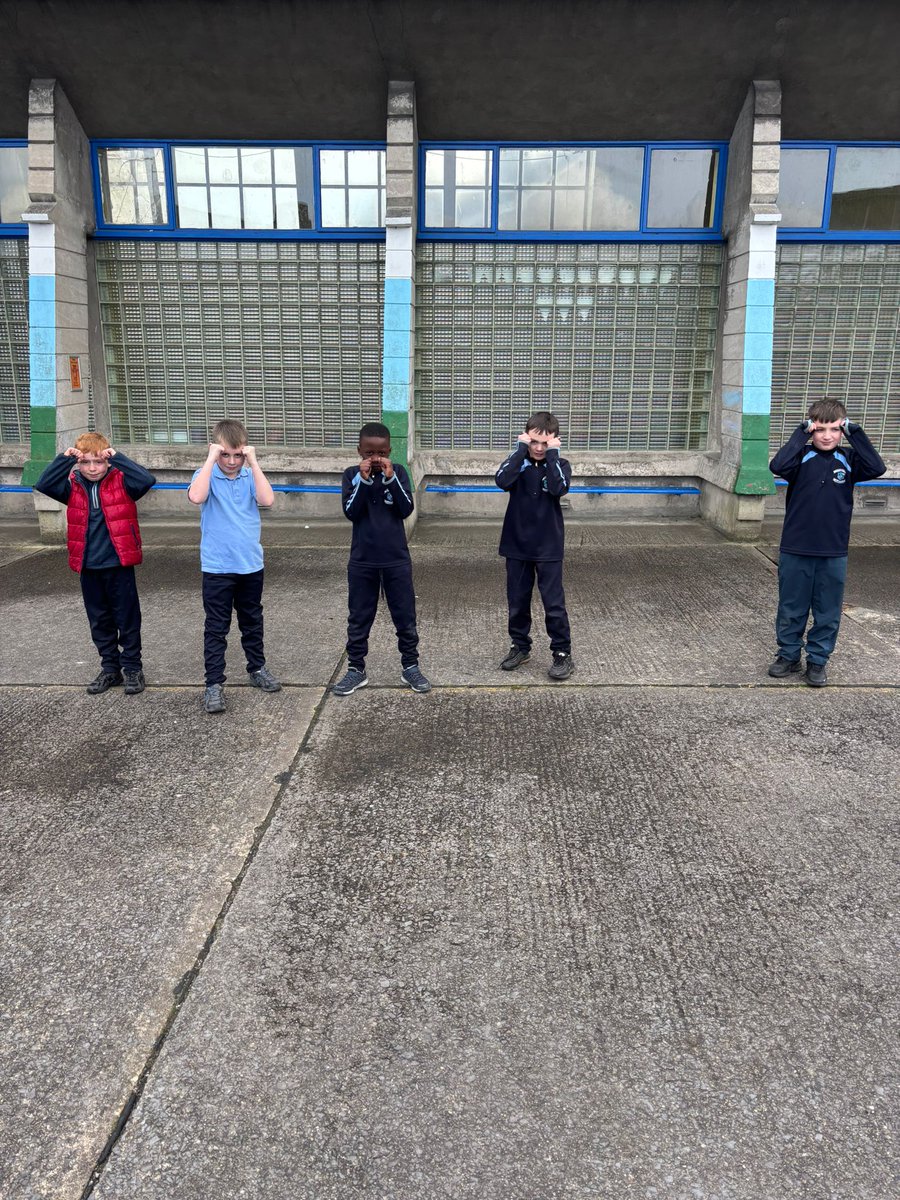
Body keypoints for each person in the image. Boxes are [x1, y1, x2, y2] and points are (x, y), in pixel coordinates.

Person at [768, 399, 886, 687]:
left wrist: (854, 432)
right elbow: (777, 465)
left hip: (833, 551)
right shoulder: (800, 457)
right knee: (791, 607)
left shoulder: (849, 460)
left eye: (834, 429)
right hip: (796, 547)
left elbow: (877, 467)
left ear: (842, 430)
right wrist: (800, 433)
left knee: (828, 611)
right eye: (820, 429)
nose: (827, 436)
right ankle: (789, 656)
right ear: (811, 429)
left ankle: (818, 660)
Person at [34, 432, 156, 695]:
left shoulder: (123, 482)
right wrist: (65, 458)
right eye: (86, 462)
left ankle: (133, 668)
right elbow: (44, 483)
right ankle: (110, 668)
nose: (92, 468)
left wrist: (117, 457)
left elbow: (147, 480)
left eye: (98, 462)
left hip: (119, 564)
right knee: (99, 621)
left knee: (127, 619)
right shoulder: (72, 487)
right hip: (89, 566)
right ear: (78, 464)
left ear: (107, 461)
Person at [188, 419, 281, 713]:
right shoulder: (205, 474)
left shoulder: (250, 475)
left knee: (252, 621)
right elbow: (196, 496)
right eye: (225, 455)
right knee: (216, 627)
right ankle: (214, 684)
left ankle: (257, 668)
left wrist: (253, 462)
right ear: (215, 451)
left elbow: (267, 499)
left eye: (237, 455)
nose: (231, 462)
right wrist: (210, 459)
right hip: (217, 567)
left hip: (250, 565)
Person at [332, 421, 430, 696]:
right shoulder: (351, 475)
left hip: (396, 559)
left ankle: (410, 666)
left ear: (389, 451)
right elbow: (351, 512)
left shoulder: (398, 472)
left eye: (381, 453)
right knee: (359, 618)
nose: (375, 459)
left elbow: (406, 508)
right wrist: (364, 481)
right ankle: (356, 669)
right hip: (362, 560)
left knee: (405, 617)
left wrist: (390, 478)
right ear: (359, 451)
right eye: (369, 453)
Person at [495, 411, 574, 680]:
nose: (539, 448)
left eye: (545, 443)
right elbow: (502, 480)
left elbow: (558, 489)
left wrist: (553, 456)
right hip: (517, 544)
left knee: (554, 603)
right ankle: (520, 646)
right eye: (534, 442)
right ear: (526, 439)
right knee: (517, 600)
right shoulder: (517, 462)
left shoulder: (560, 464)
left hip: (548, 546)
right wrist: (520, 452)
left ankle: (562, 652)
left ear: (554, 442)